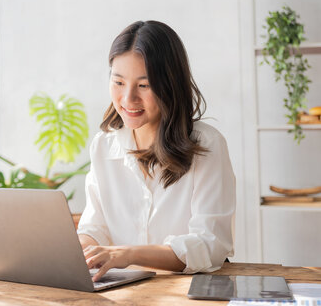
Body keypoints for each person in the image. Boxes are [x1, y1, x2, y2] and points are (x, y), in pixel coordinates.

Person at [76, 20, 235, 282]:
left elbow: (210, 244)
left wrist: (127, 254)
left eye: (144, 85)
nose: (128, 99)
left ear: (170, 84)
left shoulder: (207, 145)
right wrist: (80, 250)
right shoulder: (103, 146)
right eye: (118, 82)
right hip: (122, 292)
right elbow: (95, 227)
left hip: (187, 292)